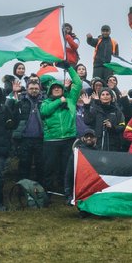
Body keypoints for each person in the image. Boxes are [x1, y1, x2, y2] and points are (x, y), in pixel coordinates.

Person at [40, 65, 82, 198]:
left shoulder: (71, 99)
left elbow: (78, 83)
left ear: (63, 89)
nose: (57, 89)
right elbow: (44, 112)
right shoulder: (46, 102)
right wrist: (59, 101)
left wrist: (69, 67)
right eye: (54, 88)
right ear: (50, 91)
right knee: (48, 168)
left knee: (67, 168)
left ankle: (68, 193)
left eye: (59, 87)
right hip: (51, 140)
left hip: (69, 139)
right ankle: (47, 194)